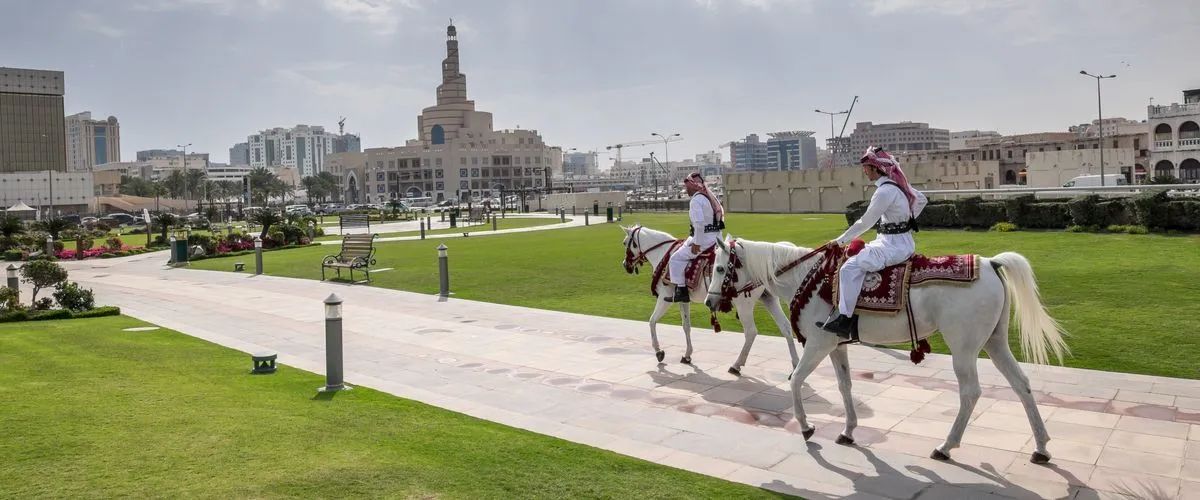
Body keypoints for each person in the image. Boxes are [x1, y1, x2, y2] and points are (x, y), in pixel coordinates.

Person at [818, 147, 928, 340]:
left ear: (876, 169)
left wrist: (838, 241)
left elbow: (865, 222)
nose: (865, 172)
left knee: (848, 269)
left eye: (867, 168)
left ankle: (845, 320)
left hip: (892, 247)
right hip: (897, 243)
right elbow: (921, 199)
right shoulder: (897, 187)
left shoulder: (884, 192)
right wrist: (905, 220)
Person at [667, 173, 725, 302]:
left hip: (704, 240)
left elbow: (699, 224)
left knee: (675, 258)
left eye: (687, 187)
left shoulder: (696, 200)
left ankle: (681, 290)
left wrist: (697, 243)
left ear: (693, 186)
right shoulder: (710, 197)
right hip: (717, 238)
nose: (686, 189)